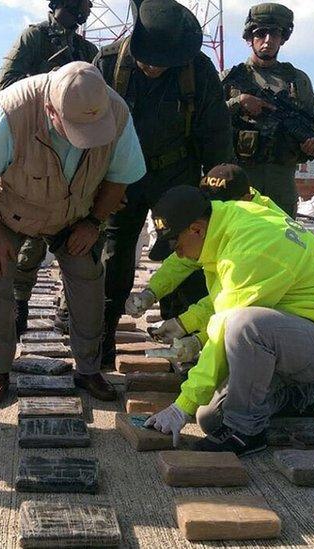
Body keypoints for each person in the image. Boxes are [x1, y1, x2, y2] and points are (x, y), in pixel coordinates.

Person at [0, 62, 146, 406]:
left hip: (75, 214)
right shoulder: (10, 112)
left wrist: (93, 222)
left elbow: (120, 176)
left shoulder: (116, 111)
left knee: (88, 275)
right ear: (50, 110)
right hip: (11, 210)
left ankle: (89, 368)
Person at [127, 185, 314, 455]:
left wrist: (182, 406)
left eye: (177, 246)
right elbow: (196, 274)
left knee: (245, 327)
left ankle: (246, 433)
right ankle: (303, 393)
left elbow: (228, 321)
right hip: (290, 332)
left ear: (196, 229)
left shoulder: (250, 248)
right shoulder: (221, 222)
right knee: (211, 418)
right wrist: (157, 297)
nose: (177, 253)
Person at [94, 0, 233, 369]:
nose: (152, 66)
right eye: (147, 58)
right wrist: (100, 185)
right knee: (114, 255)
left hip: (175, 175)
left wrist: (215, 196)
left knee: (187, 254)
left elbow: (216, 137)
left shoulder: (197, 70)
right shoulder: (107, 64)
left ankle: (182, 342)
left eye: (162, 61)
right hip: (120, 176)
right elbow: (85, 134)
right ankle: (101, 339)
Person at [0, 0, 98, 337]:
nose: (79, 12)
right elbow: (5, 88)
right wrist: (48, 83)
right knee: (30, 241)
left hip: (77, 150)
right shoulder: (34, 38)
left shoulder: (86, 49)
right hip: (36, 143)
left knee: (78, 239)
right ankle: (18, 302)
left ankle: (72, 312)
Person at [222, 2, 314, 218]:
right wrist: (239, 102)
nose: (268, 41)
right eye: (261, 33)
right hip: (240, 178)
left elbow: (313, 126)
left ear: (283, 38)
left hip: (280, 179)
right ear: (249, 38)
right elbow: (208, 122)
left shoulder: (297, 81)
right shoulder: (230, 79)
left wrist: (310, 146)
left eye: (275, 34)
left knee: (281, 242)